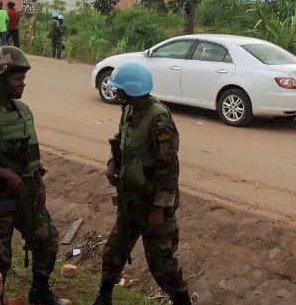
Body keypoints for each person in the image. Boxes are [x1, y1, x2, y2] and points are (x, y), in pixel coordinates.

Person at [0, 46, 66, 305]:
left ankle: (40, 292)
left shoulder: (23, 110)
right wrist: (0, 174)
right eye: (17, 78)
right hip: (0, 200)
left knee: (47, 240)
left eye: (23, 78)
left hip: (29, 196)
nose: (22, 84)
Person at [91, 63, 191, 305]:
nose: (115, 93)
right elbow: (121, 140)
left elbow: (169, 168)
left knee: (162, 263)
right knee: (114, 252)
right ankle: (104, 297)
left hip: (152, 204)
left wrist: (159, 208)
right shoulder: (129, 110)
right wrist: (113, 162)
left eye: (119, 90)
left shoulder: (159, 118)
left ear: (130, 91)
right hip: (130, 201)